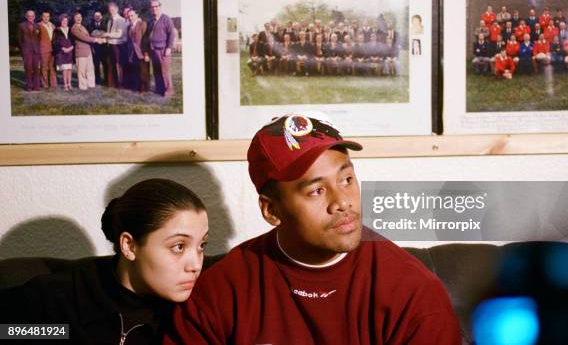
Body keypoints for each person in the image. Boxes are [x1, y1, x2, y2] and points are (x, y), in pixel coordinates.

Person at [164, 113, 461, 345]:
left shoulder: (412, 291)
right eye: (317, 191)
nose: (342, 202)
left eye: (346, 180)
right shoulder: (220, 292)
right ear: (271, 210)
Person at [0, 179, 208, 345]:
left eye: (201, 246)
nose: (195, 265)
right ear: (129, 245)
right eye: (178, 246)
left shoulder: (195, 313)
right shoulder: (58, 300)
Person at [148, 0, 176, 97]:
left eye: (156, 6)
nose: (154, 8)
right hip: (153, 49)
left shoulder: (166, 18)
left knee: (165, 71)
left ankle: (168, 91)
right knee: (156, 71)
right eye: (152, 7)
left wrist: (169, 47)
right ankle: (159, 89)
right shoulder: (151, 20)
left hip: (163, 49)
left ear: (160, 7)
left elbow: (172, 34)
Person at [70, 11, 99, 90]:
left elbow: (88, 36)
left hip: (88, 50)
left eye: (80, 17)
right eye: (77, 17)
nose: (79, 18)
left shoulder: (83, 27)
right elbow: (84, 37)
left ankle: (91, 84)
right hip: (80, 52)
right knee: (81, 70)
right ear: (74, 19)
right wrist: (96, 40)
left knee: (90, 68)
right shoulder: (74, 28)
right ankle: (83, 86)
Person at [103, 2, 128, 88]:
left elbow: (119, 34)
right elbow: (109, 33)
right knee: (111, 64)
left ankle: (121, 83)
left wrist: (107, 35)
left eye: (112, 9)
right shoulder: (110, 20)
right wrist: (104, 38)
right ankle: (112, 83)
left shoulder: (121, 20)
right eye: (110, 10)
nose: (111, 11)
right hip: (110, 45)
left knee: (119, 65)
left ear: (117, 9)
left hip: (119, 45)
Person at [126, 9, 151, 93]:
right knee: (136, 70)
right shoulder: (129, 27)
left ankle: (145, 88)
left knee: (143, 71)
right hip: (132, 52)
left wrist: (146, 54)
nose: (130, 17)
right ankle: (138, 87)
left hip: (142, 52)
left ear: (137, 15)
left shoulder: (143, 24)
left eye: (132, 15)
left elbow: (146, 40)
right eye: (129, 16)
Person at [17, 9, 41, 91]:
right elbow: (19, 40)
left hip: (35, 51)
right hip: (26, 51)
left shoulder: (37, 26)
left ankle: (36, 86)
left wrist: (37, 48)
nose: (30, 17)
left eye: (32, 16)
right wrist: (23, 49)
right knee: (28, 68)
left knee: (36, 69)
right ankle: (29, 86)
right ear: (26, 16)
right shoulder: (21, 25)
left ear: (34, 17)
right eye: (29, 16)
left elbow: (39, 39)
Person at [52, 13, 74, 91]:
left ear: (68, 21)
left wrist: (71, 47)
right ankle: (65, 85)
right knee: (64, 69)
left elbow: (74, 41)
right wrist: (62, 48)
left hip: (70, 52)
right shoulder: (57, 30)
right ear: (60, 21)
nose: (64, 22)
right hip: (62, 52)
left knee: (69, 69)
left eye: (66, 21)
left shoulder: (71, 29)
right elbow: (54, 42)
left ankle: (70, 84)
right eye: (63, 21)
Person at [88, 11, 107, 85]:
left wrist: (97, 33)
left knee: (105, 64)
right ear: (93, 17)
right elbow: (92, 34)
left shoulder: (106, 24)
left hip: (104, 48)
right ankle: (97, 80)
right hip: (95, 48)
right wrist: (101, 33)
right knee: (96, 64)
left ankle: (106, 80)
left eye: (99, 16)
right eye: (96, 16)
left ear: (101, 17)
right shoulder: (90, 25)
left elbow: (105, 33)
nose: (97, 17)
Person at [38, 10, 56, 89]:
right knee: (44, 67)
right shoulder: (38, 25)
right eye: (44, 16)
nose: (46, 18)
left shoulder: (52, 25)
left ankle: (53, 83)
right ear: (41, 17)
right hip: (43, 49)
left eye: (47, 16)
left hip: (52, 49)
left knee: (52, 67)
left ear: (49, 17)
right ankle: (44, 84)